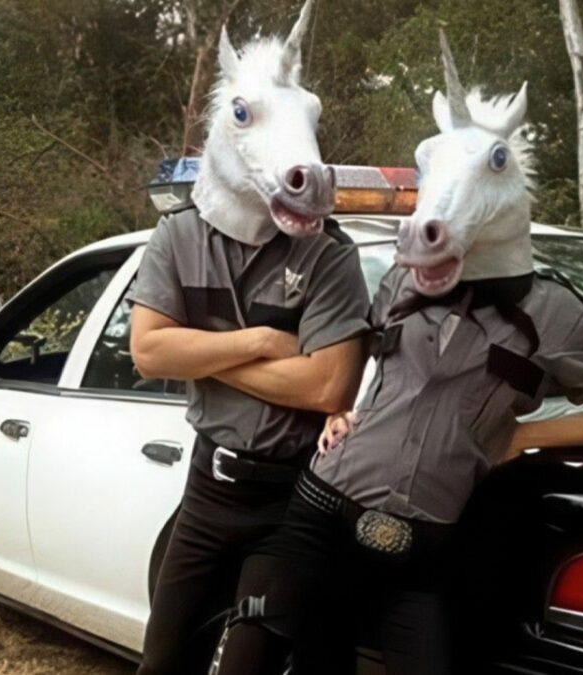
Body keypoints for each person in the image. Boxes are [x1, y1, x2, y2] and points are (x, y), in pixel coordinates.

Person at [211, 31, 583, 675]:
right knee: (260, 657)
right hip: (323, 513)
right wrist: (341, 409)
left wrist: (526, 435)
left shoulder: (554, 314)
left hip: (425, 550)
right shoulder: (402, 280)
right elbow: (365, 369)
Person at [129, 3, 370, 673]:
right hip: (208, 492)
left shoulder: (329, 255)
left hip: (291, 501)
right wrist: (262, 341)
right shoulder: (178, 236)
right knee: (162, 663)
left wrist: (198, 353)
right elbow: (147, 352)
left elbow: (329, 385)